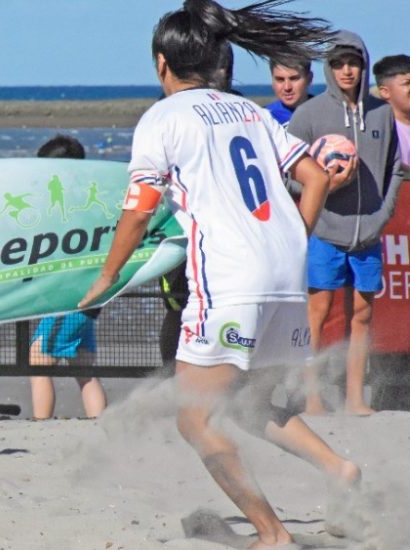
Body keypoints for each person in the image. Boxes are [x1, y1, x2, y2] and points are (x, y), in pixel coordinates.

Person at [77, 1, 361, 547]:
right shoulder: (248, 111)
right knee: (249, 406)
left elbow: (138, 212)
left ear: (163, 63)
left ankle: (272, 534)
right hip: (283, 278)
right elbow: (317, 178)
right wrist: (294, 239)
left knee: (195, 420)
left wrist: (106, 278)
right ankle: (340, 469)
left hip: (231, 283)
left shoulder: (162, 118)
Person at [288, 32, 406, 416]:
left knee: (362, 315)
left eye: (352, 62)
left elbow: (395, 168)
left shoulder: (381, 113)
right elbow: (287, 173)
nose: (346, 70)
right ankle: (313, 397)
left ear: (363, 64)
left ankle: (356, 399)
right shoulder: (309, 114)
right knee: (317, 316)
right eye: (338, 63)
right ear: (328, 67)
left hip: (368, 234)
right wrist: (326, 186)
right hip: (325, 231)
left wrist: (382, 216)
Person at [28, 135, 106, 419]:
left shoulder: (64, 204)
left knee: (38, 362)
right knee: (84, 369)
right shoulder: (91, 198)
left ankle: (41, 423)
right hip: (91, 294)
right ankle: (99, 423)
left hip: (69, 296)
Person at [266, 58, 314, 124]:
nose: (287, 87)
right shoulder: (263, 118)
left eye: (294, 79)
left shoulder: (326, 113)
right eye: (280, 79)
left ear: (309, 79)